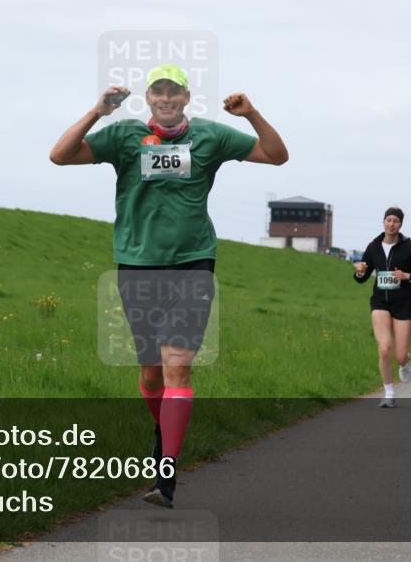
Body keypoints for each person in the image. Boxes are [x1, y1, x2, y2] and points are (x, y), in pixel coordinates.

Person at [49, 64, 288, 508]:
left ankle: (166, 474)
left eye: (173, 91)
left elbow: (277, 156)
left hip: (193, 264)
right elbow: (59, 156)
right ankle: (164, 434)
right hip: (137, 265)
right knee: (150, 374)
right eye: (158, 91)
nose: (165, 98)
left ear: (186, 97)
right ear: (148, 98)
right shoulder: (124, 136)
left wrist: (251, 114)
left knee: (177, 366)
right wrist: (98, 111)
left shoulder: (211, 136)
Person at [353, 207, 411, 408]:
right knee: (384, 348)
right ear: (383, 222)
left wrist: (407, 276)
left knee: (400, 355)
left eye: (395, 221)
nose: (391, 224)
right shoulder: (374, 246)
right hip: (380, 302)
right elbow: (361, 277)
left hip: (404, 303)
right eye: (388, 220)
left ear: (401, 224)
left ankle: (405, 362)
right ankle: (389, 392)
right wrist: (360, 271)